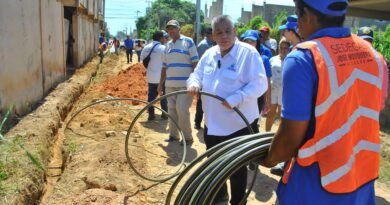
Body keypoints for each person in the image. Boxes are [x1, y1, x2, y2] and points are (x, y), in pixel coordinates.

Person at [260, 0, 388, 204]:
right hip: (360, 181)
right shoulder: (375, 56)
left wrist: (270, 158)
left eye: (298, 15)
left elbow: (290, 137)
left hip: (315, 186)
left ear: (308, 16)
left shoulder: (303, 58)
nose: (297, 25)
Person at [187, 15, 268, 205]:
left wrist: (237, 98)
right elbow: (196, 74)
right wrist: (194, 83)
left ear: (235, 32)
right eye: (219, 32)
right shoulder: (209, 54)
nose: (224, 36)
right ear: (213, 35)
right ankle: (220, 198)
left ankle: (238, 202)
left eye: (228, 31)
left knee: (236, 169)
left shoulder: (248, 53)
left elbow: (260, 83)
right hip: (212, 124)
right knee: (215, 165)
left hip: (238, 125)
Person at [158, 19, 199, 145]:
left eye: (173, 28)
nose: (171, 31)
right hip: (170, 85)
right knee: (171, 110)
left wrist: (195, 81)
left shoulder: (188, 42)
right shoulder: (168, 46)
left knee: (181, 110)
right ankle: (173, 135)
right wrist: (160, 84)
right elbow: (164, 67)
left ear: (178, 29)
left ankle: (187, 137)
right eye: (169, 29)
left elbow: (195, 63)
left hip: (184, 85)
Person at [240, 30, 272, 123]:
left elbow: (267, 81)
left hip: (257, 97)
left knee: (253, 123)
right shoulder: (238, 58)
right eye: (247, 41)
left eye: (252, 41)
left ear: (257, 43)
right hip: (241, 96)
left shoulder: (264, 59)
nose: (250, 44)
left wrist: (267, 100)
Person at [357, 26, 389, 109]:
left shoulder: (349, 59)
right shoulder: (380, 59)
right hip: (370, 107)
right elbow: (384, 90)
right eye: (364, 41)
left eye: (368, 41)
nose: (366, 44)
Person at [141, 31, 168, 121]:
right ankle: (164, 114)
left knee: (151, 97)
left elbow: (142, 60)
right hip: (161, 78)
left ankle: (151, 115)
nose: (165, 39)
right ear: (161, 38)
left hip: (151, 76)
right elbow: (167, 62)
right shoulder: (163, 48)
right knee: (163, 96)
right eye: (164, 38)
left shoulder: (146, 47)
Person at [265, 38, 290, 132]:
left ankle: (279, 137)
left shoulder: (291, 60)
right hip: (273, 91)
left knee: (282, 116)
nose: (283, 50)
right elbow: (267, 77)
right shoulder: (272, 59)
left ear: (289, 49)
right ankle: (265, 136)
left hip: (284, 93)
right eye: (281, 47)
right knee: (270, 114)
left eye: (285, 48)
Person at [194, 27, 215, 130]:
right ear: (209, 34)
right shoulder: (204, 45)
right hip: (204, 78)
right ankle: (197, 122)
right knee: (201, 101)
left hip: (210, 77)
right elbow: (200, 63)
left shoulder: (211, 44)